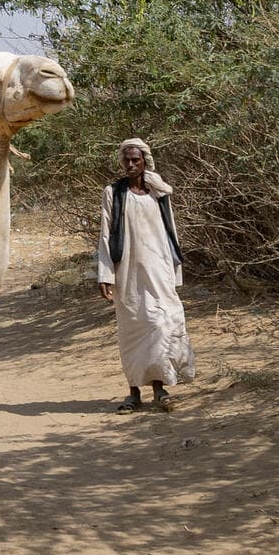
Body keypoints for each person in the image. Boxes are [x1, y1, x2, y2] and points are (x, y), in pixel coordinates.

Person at [96, 137, 194, 409]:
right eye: (126, 159)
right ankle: (134, 392)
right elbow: (105, 235)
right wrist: (105, 274)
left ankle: (160, 388)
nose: (130, 164)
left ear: (144, 162)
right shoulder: (113, 193)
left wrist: (175, 269)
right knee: (132, 329)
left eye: (135, 160)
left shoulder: (157, 191)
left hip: (158, 267)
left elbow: (170, 231)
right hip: (126, 270)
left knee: (163, 322)